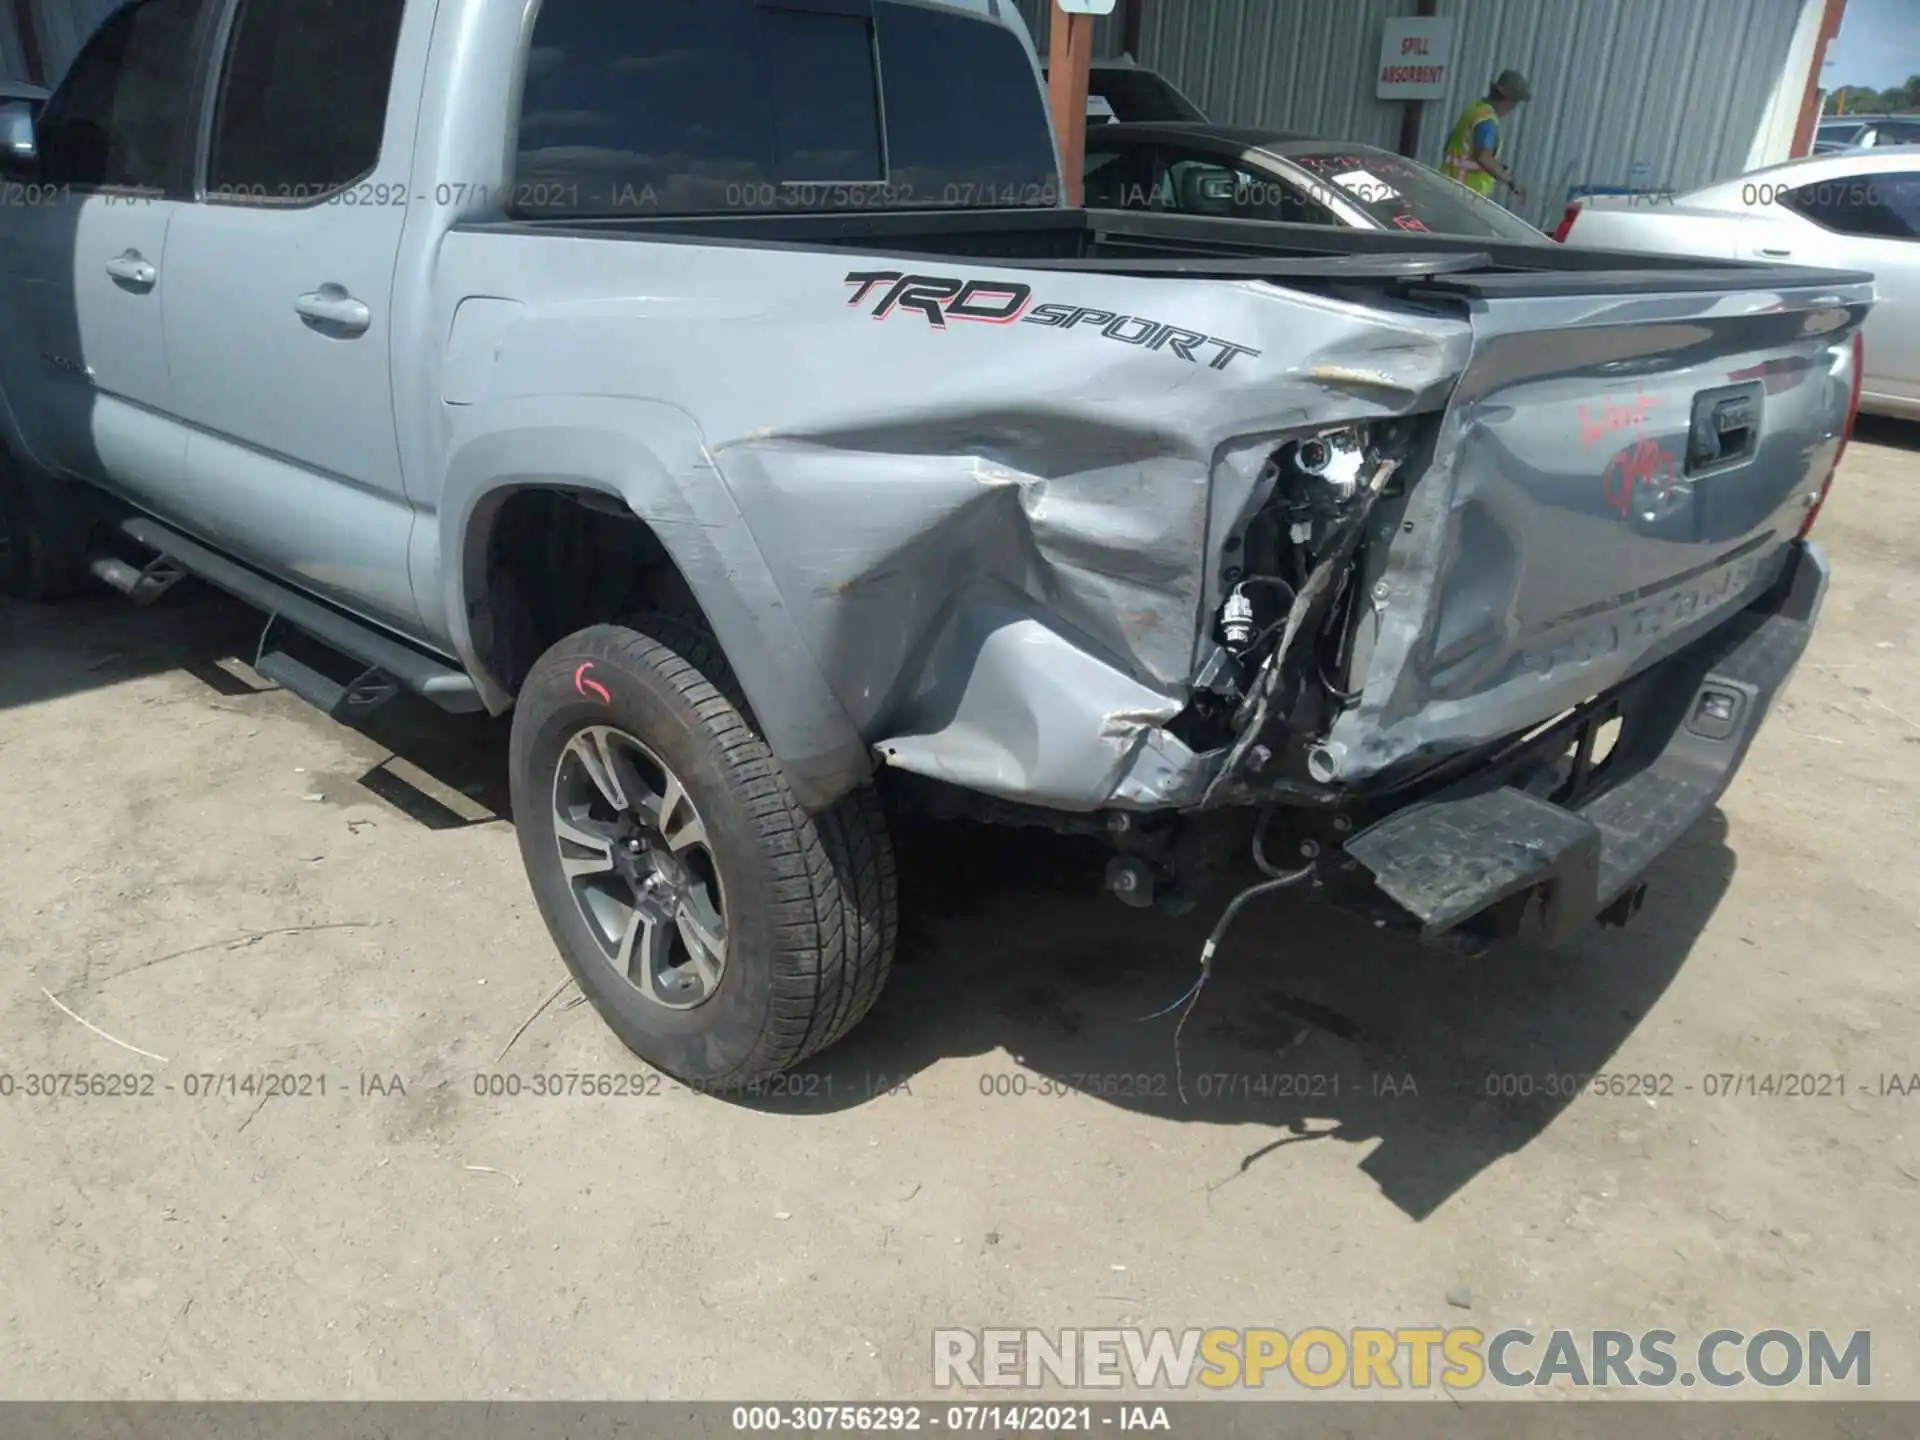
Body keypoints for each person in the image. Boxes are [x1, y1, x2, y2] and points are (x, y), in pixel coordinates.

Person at [1442, 69, 1531, 206]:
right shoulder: (1487, 121)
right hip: (1467, 196)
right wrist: (1511, 182)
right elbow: (1483, 157)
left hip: (1448, 187)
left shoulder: (1475, 109)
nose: (1513, 108)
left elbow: (1456, 145)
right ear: (1507, 100)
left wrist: (1497, 166)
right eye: (1515, 103)